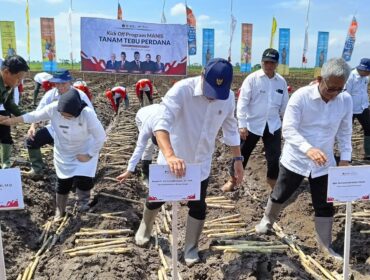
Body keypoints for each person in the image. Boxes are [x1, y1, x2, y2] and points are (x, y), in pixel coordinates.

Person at [134, 58, 244, 266]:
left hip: (200, 163)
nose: (213, 97)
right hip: (172, 159)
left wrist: (237, 158)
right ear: (202, 76)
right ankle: (145, 228)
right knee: (156, 199)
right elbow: (161, 123)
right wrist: (170, 155)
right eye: (210, 89)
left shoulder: (228, 98)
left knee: (198, 205)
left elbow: (230, 128)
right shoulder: (181, 90)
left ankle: (190, 248)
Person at [255, 58, 352, 260]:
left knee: (325, 203)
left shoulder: (345, 100)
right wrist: (308, 149)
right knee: (281, 193)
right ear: (319, 79)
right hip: (296, 159)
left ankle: (325, 245)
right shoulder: (301, 97)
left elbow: (345, 131)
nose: (334, 93)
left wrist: (345, 157)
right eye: (330, 87)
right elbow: (288, 129)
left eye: (339, 89)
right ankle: (267, 220)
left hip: (324, 163)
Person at [0, 88, 106, 218]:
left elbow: (100, 136)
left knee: (84, 180)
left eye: (69, 116)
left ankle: (83, 206)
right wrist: (12, 121)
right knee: (63, 182)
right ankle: (60, 211)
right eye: (63, 114)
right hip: (64, 152)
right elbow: (34, 115)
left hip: (84, 149)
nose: (65, 117)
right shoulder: (54, 108)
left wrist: (89, 154)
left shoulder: (87, 114)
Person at [222, 48, 289, 192]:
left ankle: (272, 183)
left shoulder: (281, 82)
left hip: (273, 125)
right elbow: (242, 103)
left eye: (272, 63)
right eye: (266, 62)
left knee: (274, 157)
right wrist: (242, 125)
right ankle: (232, 180)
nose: (268, 65)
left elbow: (285, 107)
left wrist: (287, 126)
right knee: (241, 154)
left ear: (277, 64)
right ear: (261, 62)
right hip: (251, 124)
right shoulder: (252, 79)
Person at [24, 69, 94, 179]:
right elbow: (38, 113)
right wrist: (32, 127)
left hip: (75, 132)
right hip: (54, 129)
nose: (60, 86)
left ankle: (77, 174)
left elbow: (91, 116)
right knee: (32, 141)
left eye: (63, 83)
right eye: (57, 83)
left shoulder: (80, 95)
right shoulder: (50, 95)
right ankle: (37, 169)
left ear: (69, 82)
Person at [116, 104, 161, 183]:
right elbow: (140, 147)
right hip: (142, 116)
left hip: (157, 112)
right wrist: (129, 170)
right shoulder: (146, 128)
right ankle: (145, 171)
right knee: (148, 146)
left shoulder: (172, 125)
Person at [0, 56, 25, 168]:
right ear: (6, 72)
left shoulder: (7, 84)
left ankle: (5, 164)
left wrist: (26, 116)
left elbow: (9, 103)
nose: (19, 82)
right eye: (18, 78)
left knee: (5, 132)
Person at [345, 58, 370, 160]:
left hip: (363, 108)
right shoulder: (350, 77)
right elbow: (346, 95)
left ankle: (368, 153)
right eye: (368, 71)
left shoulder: (365, 78)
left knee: (369, 128)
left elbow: (363, 92)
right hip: (350, 110)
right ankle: (347, 156)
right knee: (347, 132)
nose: (369, 74)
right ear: (363, 69)